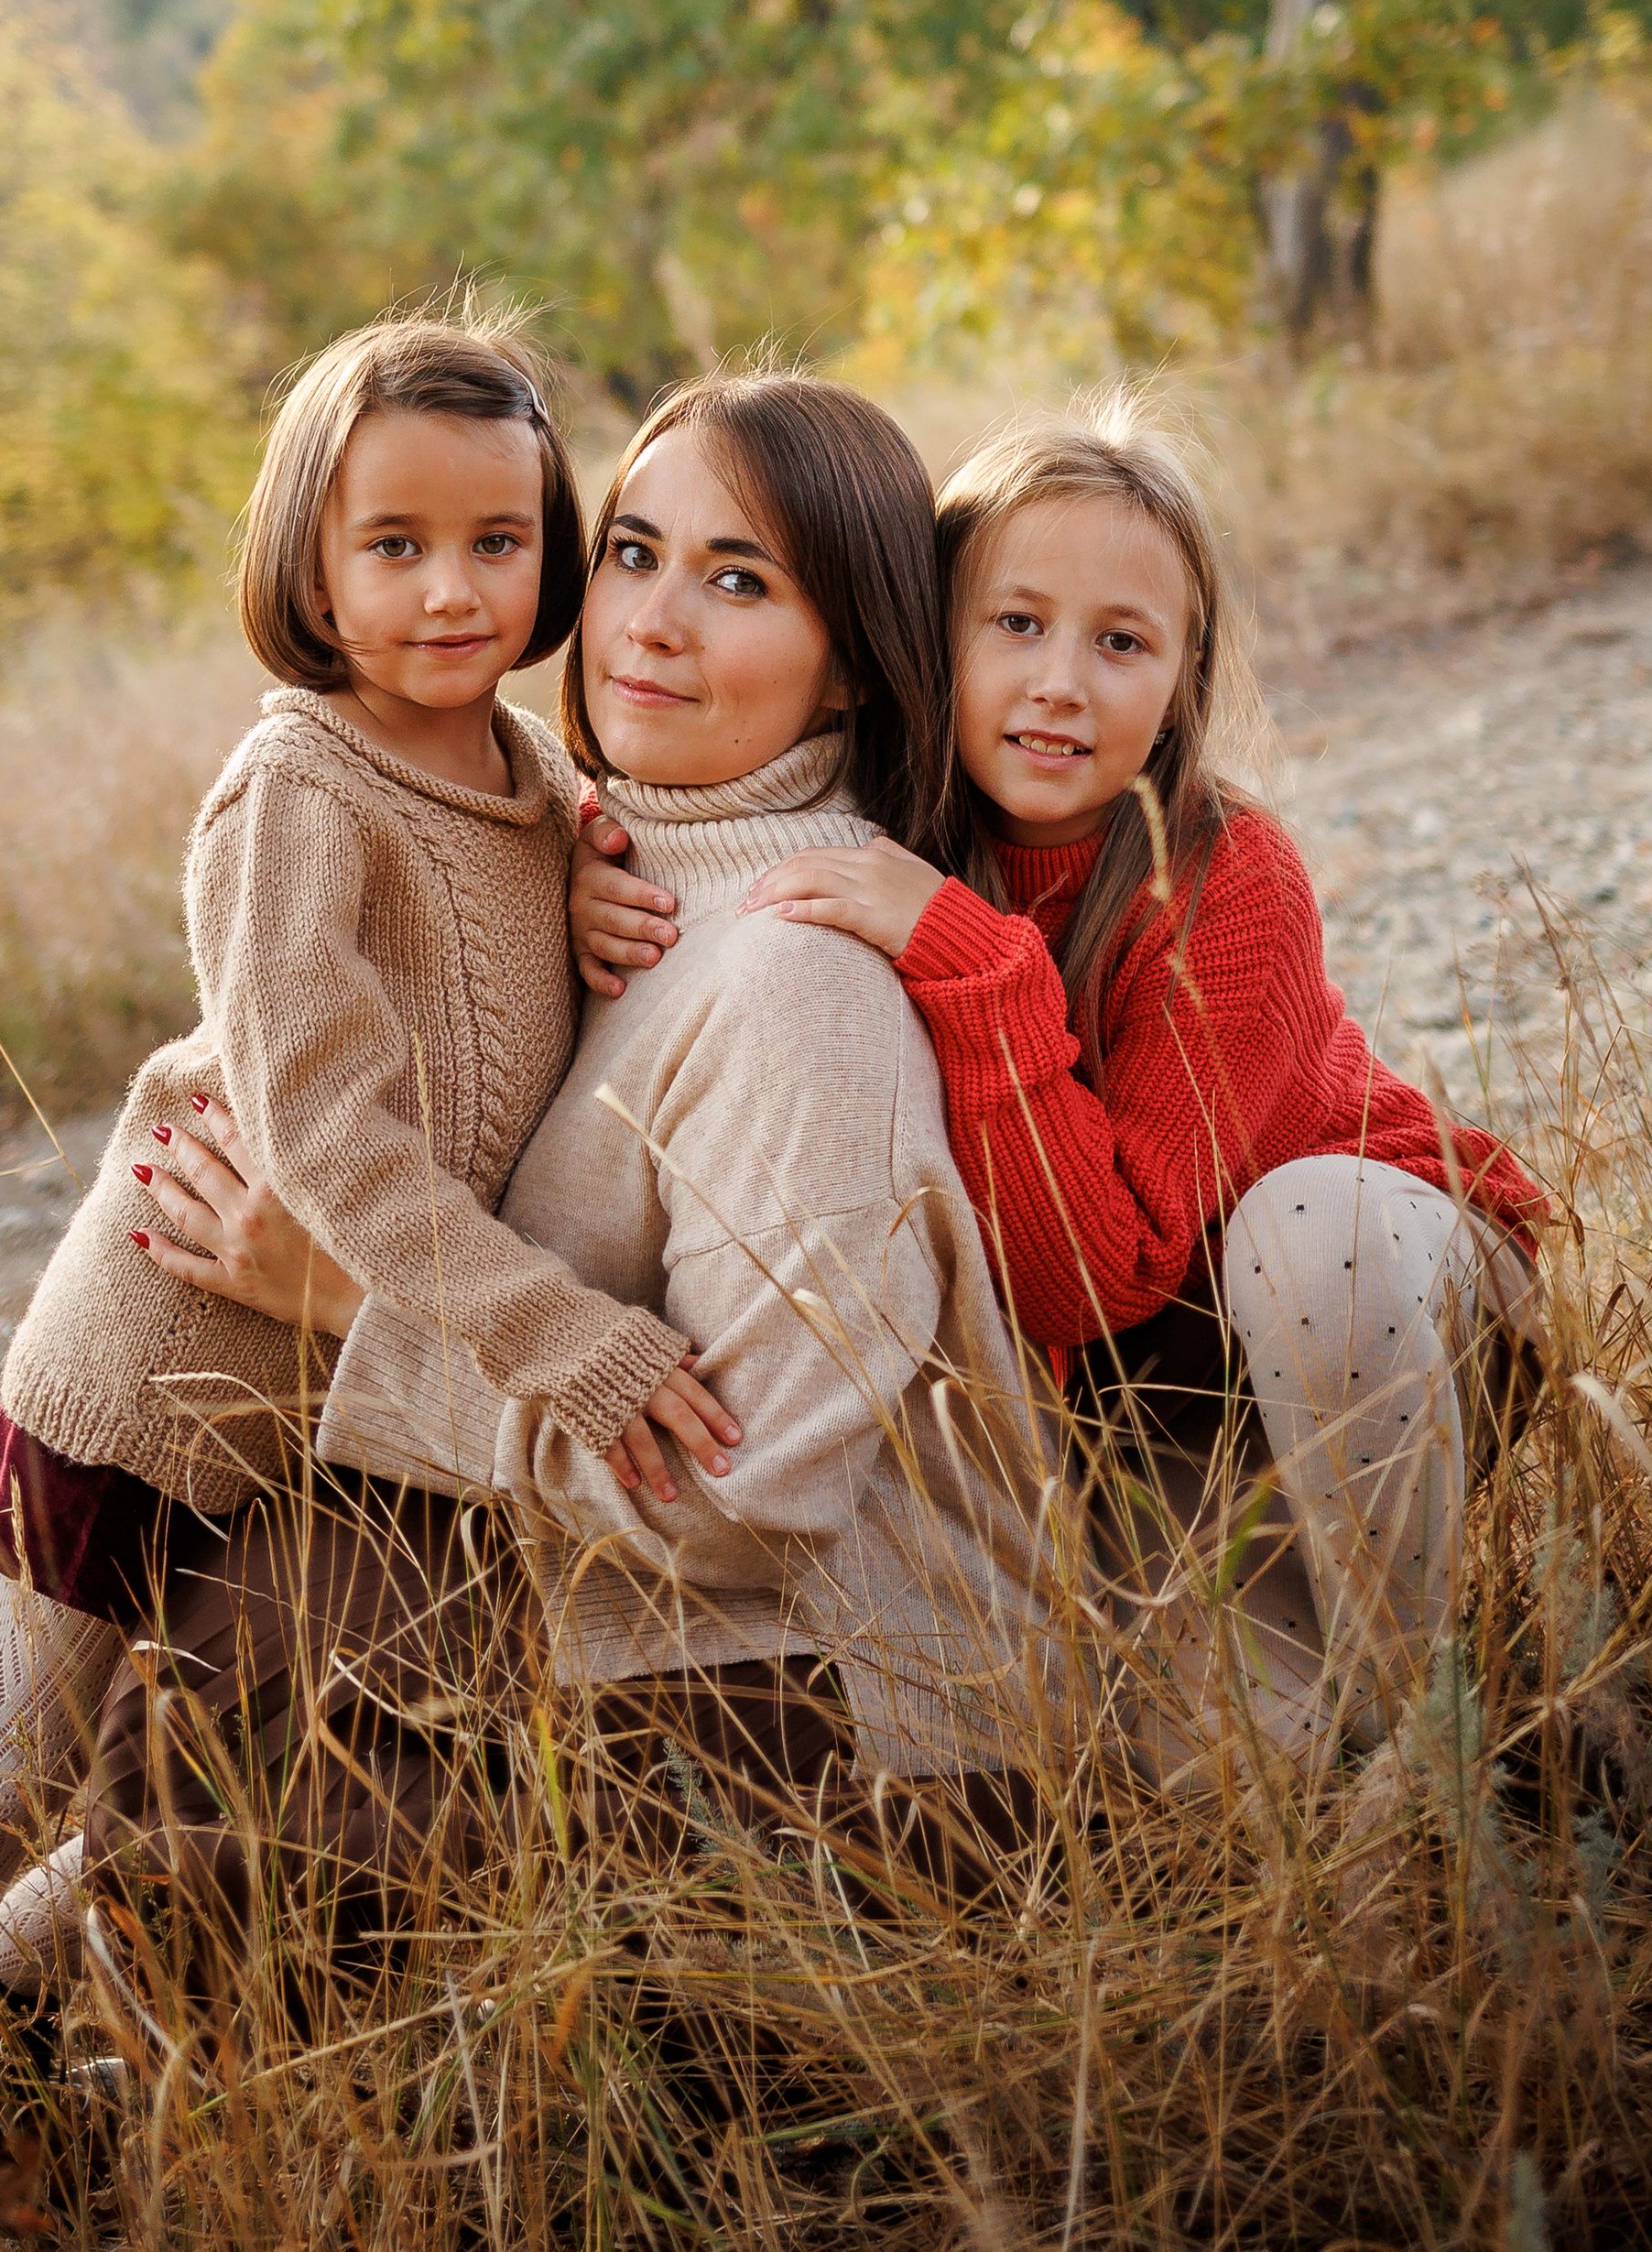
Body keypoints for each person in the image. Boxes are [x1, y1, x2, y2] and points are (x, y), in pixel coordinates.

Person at [0, 312, 738, 2242]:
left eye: (497, 539)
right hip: (153, 1370)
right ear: (306, 557)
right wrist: (560, 1339)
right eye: (392, 544)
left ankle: (5, 2028)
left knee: (176, 1760)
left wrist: (582, 888)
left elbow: (491, 953)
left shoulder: (533, 773)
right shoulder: (293, 786)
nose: (452, 588)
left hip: (329, 1388)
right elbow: (330, 1145)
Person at [86, 372, 1073, 2013]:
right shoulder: (620, 867)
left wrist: (343, 1307)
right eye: (632, 550)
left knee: (236, 1755)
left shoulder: (802, 987)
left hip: (834, 1733)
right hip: (644, 1622)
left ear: (858, 653)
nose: (651, 625)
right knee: (213, 1667)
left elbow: (746, 1504)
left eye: (741, 580)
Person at [580, 397, 1548, 1754]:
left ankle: (1422, 1730)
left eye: (1122, 643)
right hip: (1150, 1401)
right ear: (929, 642)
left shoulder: (1224, 874)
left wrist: (980, 970)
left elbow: (1102, 1274)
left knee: (1307, 1233)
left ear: (1180, 684)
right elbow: (700, 805)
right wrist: (584, 863)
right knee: (1214, 1785)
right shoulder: (896, 833)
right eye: (1015, 624)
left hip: (1374, 1300)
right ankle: (1342, 1733)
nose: (1060, 685)